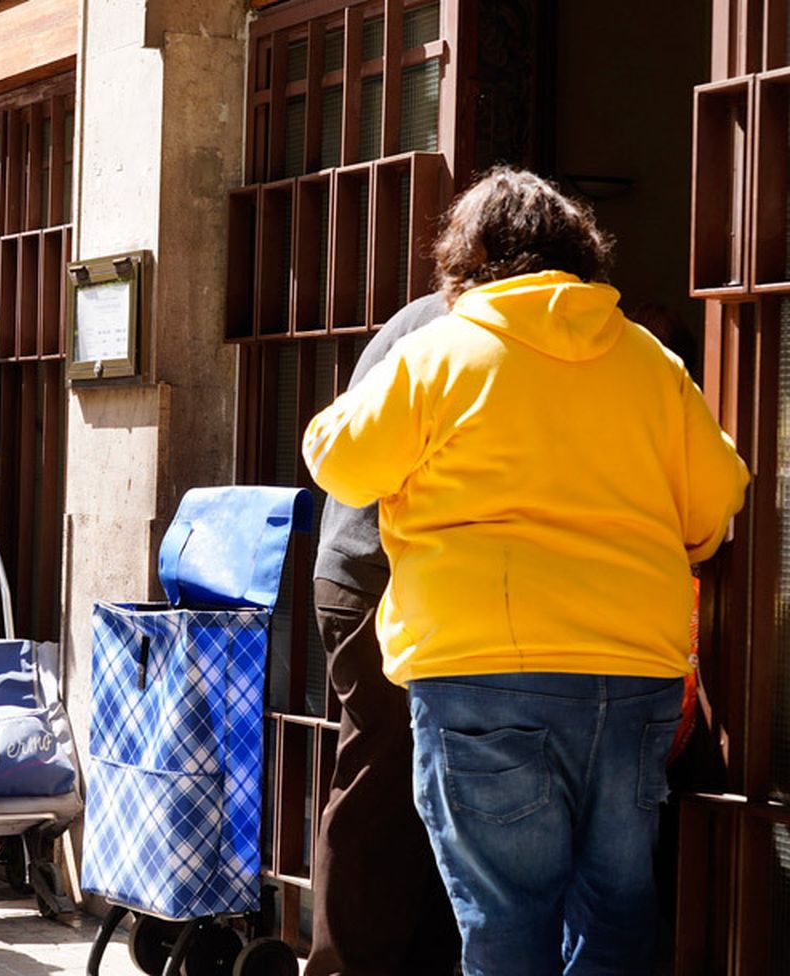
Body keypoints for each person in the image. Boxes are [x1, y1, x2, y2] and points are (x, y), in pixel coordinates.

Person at [302, 167, 750, 974]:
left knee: (507, 918)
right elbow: (717, 506)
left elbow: (338, 463)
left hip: (482, 672)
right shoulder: (649, 362)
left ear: (465, 259)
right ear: (582, 254)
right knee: (615, 912)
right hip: (631, 672)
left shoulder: (440, 349)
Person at [306, 293, 460, 976]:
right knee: (380, 777)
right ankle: (345, 963)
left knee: (407, 781)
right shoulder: (454, 327)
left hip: (371, 571)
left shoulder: (431, 317)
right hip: (374, 575)